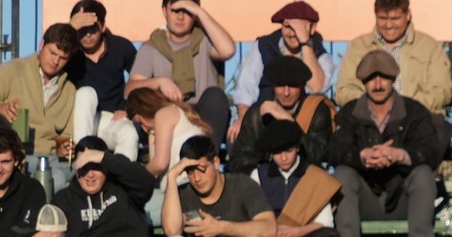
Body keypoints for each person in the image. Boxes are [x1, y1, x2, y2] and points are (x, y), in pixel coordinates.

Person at [328, 49, 445, 237]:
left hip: (403, 198)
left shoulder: (414, 111)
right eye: (371, 79)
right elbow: (334, 150)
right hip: (365, 199)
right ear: (363, 82)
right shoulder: (350, 113)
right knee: (343, 174)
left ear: (393, 79)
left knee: (423, 173)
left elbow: (431, 150)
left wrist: (400, 155)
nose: (378, 84)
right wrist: (361, 156)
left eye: (384, 77)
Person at [0, 22, 83, 185]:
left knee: (72, 175)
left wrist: (64, 147)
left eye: (63, 58)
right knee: (54, 180)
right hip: (13, 155)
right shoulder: (12, 71)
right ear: (42, 44)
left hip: (51, 160)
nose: (55, 61)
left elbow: (65, 136)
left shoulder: (69, 89)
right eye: (52, 53)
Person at [129, 0, 238, 142]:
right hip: (166, 112)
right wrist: (159, 82)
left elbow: (228, 50)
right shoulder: (152, 47)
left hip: (203, 113)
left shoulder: (206, 41)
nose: (180, 17)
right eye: (175, 11)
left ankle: (207, 158)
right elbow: (130, 89)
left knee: (216, 96)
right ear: (164, 12)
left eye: (187, 11)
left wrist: (200, 13)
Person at [331, 0, 452, 114]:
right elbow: (343, 91)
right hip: (369, 122)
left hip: (418, 119)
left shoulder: (429, 46)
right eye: (383, 18)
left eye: (395, 18)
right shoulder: (358, 47)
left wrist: (409, 107)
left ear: (408, 15)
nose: (389, 25)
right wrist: (373, 106)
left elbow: (442, 90)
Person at [231, 1, 326, 138]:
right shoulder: (263, 46)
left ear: (312, 29)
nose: (292, 33)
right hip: (264, 118)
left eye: (298, 27)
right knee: (236, 134)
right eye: (288, 26)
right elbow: (246, 87)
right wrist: (244, 120)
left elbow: (317, 88)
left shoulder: (319, 53)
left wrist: (305, 43)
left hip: (302, 122)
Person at [229, 57, 334, 173]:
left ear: (303, 86)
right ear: (273, 86)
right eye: (280, 85)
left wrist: (288, 121)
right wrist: (259, 177)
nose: (286, 92)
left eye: (293, 86)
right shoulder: (258, 113)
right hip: (265, 180)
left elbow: (318, 155)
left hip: (304, 179)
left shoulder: (317, 110)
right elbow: (239, 159)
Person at [69, 1, 142, 159]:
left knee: (129, 133)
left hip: (111, 118)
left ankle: (123, 179)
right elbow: (48, 57)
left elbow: (142, 80)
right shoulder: (69, 52)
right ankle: (83, 161)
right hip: (78, 119)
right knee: (86, 93)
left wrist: (129, 109)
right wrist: (70, 30)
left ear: (102, 27)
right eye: (82, 30)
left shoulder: (120, 47)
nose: (87, 35)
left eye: (92, 29)